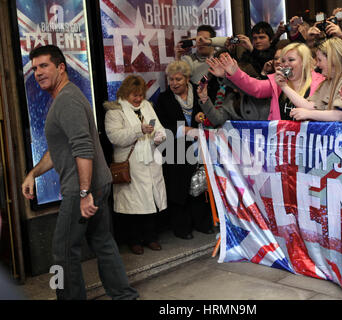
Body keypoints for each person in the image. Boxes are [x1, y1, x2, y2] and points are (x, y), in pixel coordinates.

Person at [21, 45, 138, 300]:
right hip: (95, 183)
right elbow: (57, 151)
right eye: (34, 68)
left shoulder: (67, 100)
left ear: (61, 67)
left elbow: (83, 147)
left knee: (62, 253)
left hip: (81, 188)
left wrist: (84, 193)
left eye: (44, 66)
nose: (38, 72)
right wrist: (33, 174)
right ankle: (124, 296)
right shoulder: (66, 98)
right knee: (103, 242)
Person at [104, 75, 167, 255]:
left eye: (140, 95)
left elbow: (159, 128)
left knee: (150, 202)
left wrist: (159, 136)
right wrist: (138, 129)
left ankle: (151, 238)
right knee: (133, 206)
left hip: (150, 161)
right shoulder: (114, 112)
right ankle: (134, 241)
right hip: (131, 164)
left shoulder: (147, 107)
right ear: (125, 93)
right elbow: (115, 137)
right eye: (134, 95)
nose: (138, 99)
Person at [154, 61, 214, 240]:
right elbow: (162, 126)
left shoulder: (199, 91)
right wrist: (184, 130)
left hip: (199, 147)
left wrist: (201, 119)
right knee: (179, 189)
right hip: (175, 148)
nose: (174, 83)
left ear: (187, 78)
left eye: (178, 79)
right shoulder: (164, 99)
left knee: (199, 185)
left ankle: (202, 223)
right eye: (171, 79)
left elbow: (211, 112)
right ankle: (182, 228)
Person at [207, 42, 325, 121]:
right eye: (283, 60)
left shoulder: (320, 82)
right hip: (283, 142)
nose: (285, 64)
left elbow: (320, 110)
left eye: (291, 60)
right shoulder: (277, 81)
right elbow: (254, 87)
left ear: (303, 62)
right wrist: (235, 72)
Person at [276, 37, 342, 122]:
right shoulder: (328, 81)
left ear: (332, 59)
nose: (317, 65)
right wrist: (284, 86)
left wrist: (309, 114)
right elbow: (310, 106)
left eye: (319, 60)